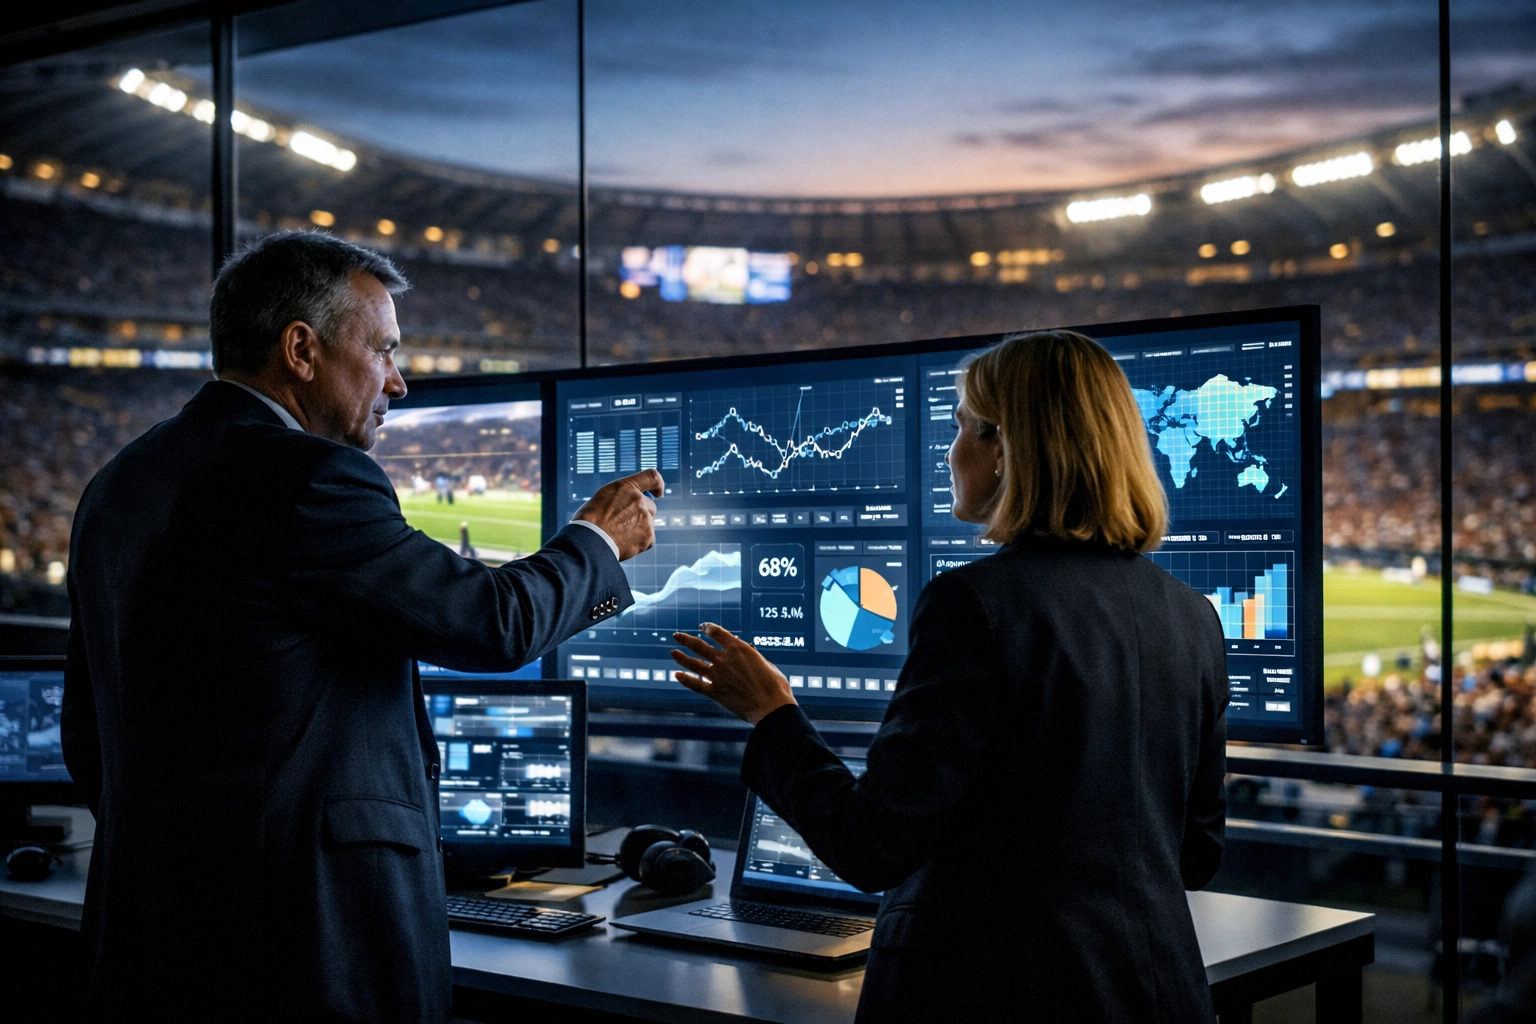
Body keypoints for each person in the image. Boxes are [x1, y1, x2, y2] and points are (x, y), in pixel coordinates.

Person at [61, 232, 661, 1022]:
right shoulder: (309, 477)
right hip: (300, 950)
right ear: (301, 350)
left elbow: (86, 740)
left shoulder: (118, 484)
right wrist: (596, 540)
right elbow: (494, 624)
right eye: (383, 351)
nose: (400, 382)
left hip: (154, 937)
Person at [670, 330, 1229, 1022]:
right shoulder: (1193, 615)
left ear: (1003, 447)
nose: (949, 451)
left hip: (993, 995)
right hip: (1156, 993)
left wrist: (773, 715)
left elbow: (876, 846)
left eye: (960, 426)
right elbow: (1197, 855)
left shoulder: (974, 604)